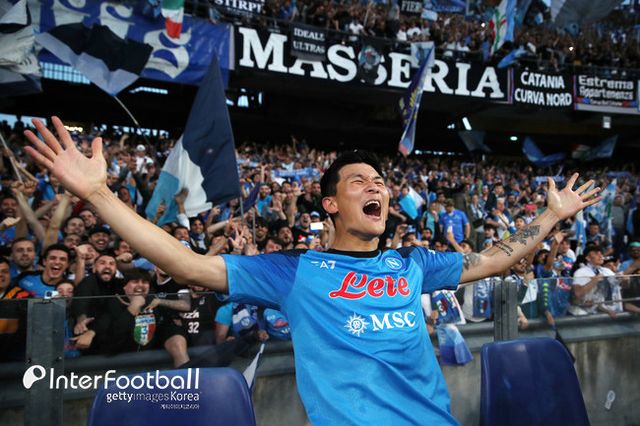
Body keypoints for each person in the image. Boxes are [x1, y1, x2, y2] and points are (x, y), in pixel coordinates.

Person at [24, 118, 601, 425]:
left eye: (381, 182)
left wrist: (551, 215)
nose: (377, 187)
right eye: (360, 181)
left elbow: (494, 257)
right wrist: (98, 194)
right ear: (330, 204)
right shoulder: (293, 272)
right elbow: (186, 264)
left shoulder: (413, 263)